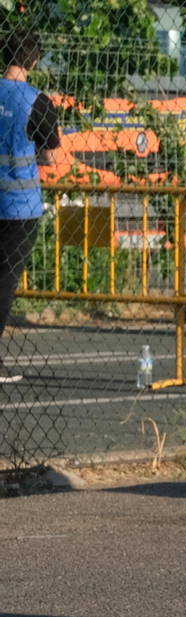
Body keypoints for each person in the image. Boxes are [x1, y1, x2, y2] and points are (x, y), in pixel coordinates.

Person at [0, 30, 61, 384]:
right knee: (5, 281)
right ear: (34, 61)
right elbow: (51, 156)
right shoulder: (37, 101)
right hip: (20, 209)